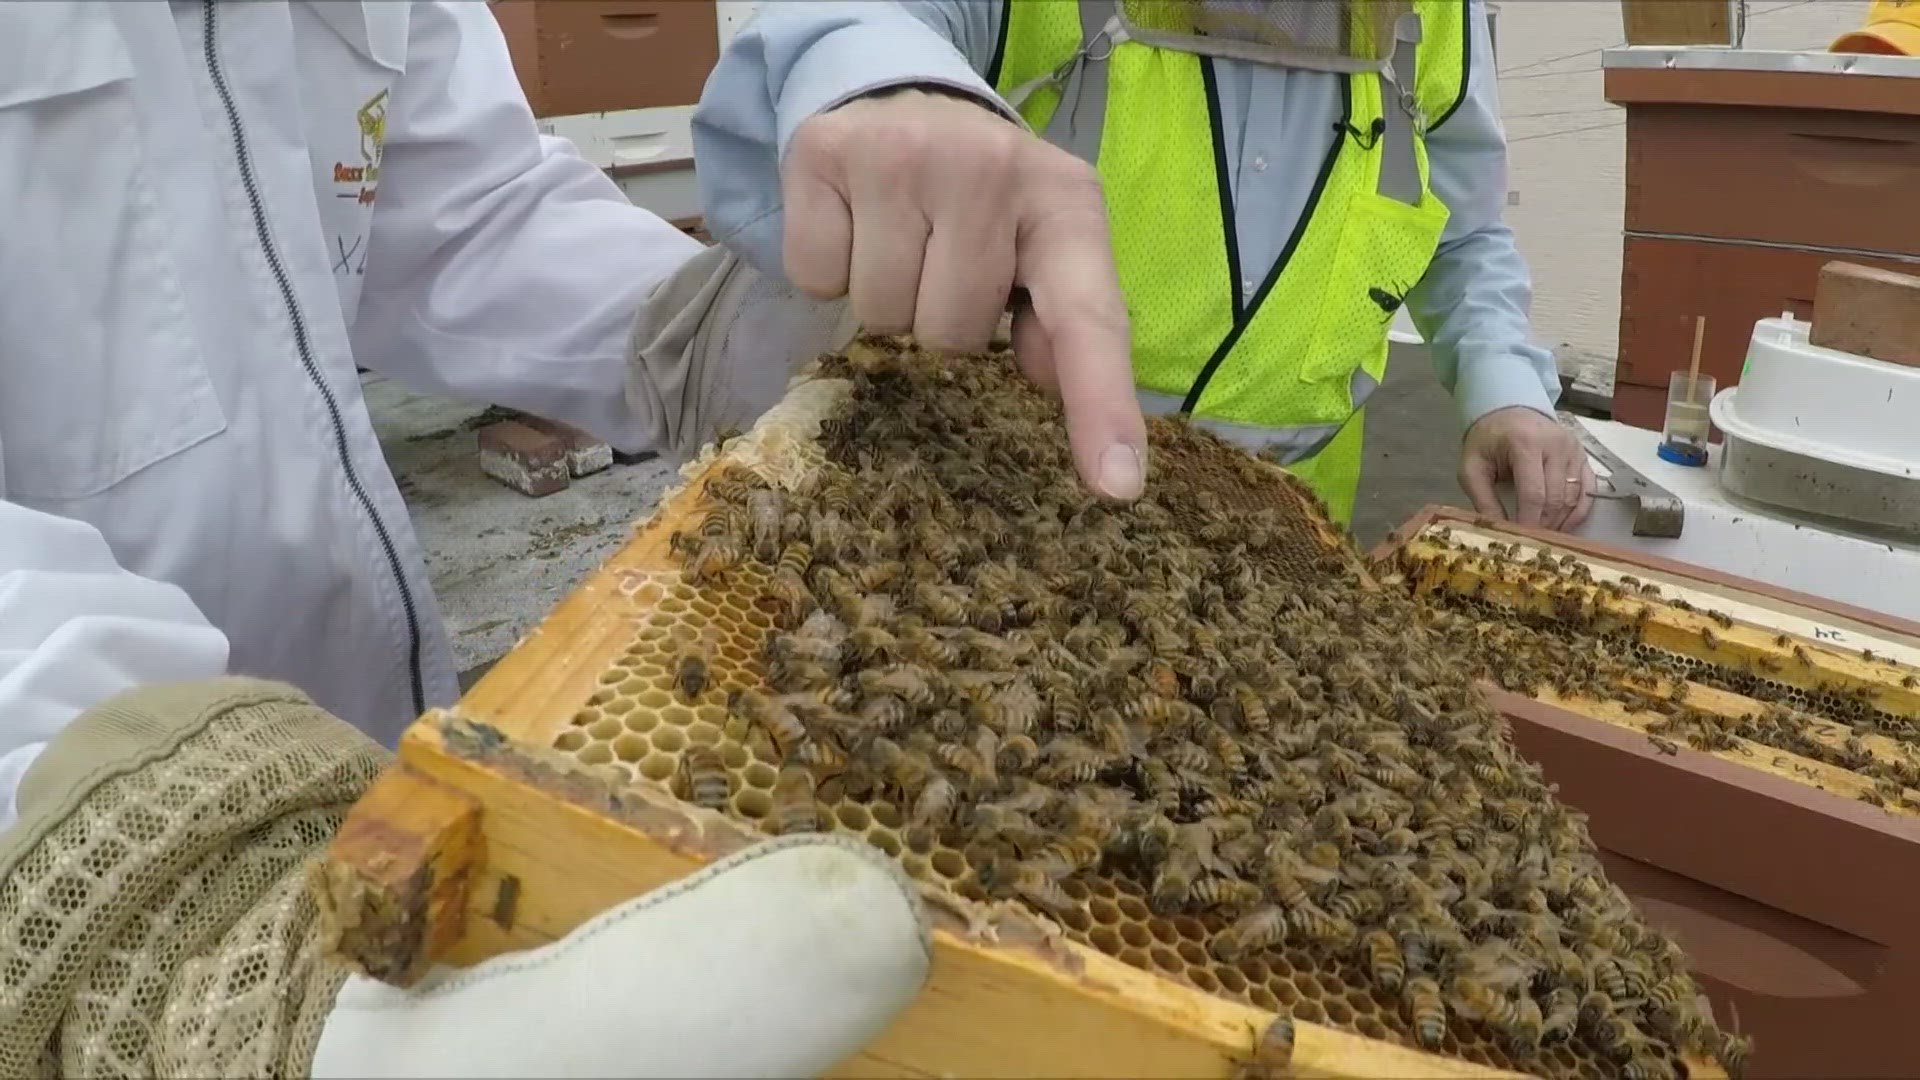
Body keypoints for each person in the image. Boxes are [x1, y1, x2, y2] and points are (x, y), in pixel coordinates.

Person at [0, 2, 930, 1074]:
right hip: (63, 861)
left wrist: (694, 333)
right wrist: (159, 892)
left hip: (366, 781)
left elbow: (461, 210)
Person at [692, 0, 1597, 530]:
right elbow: (859, 21)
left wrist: (1503, 390)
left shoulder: (1441, 17)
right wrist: (885, 83)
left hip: (1290, 534)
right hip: (1007, 505)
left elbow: (1462, 226)